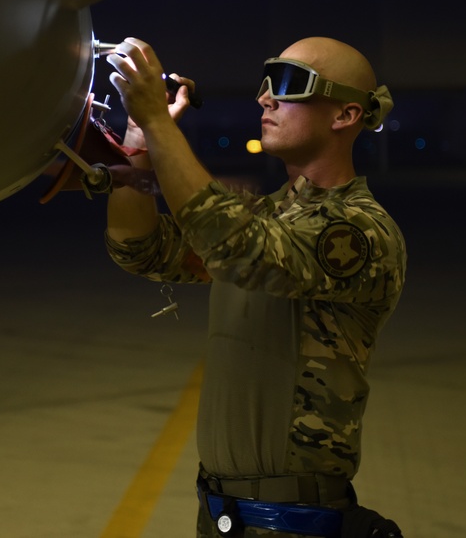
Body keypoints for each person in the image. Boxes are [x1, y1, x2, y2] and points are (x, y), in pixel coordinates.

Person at [103, 36, 407, 537]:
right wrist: (137, 143)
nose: (265, 97)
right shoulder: (270, 216)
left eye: (289, 84)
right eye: (265, 83)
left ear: (345, 115)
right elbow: (140, 248)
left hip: (293, 524)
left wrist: (159, 122)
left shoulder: (359, 230)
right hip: (226, 515)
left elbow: (236, 245)